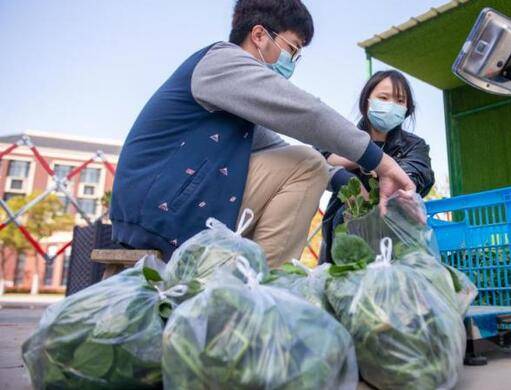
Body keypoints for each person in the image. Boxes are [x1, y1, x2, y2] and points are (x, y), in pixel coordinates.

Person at [109, 0, 414, 267]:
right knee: (307, 163)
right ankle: (260, 291)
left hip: (168, 203)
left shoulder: (235, 96)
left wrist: (349, 187)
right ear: (258, 35)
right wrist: (381, 162)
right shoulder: (222, 61)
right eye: (291, 48)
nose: (291, 62)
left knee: (307, 164)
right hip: (161, 209)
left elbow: (275, 146)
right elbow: (306, 113)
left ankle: (252, 278)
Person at [319, 70, 435, 263]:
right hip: (342, 232)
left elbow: (419, 171)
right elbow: (319, 159)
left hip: (395, 236)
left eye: (399, 101)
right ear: (367, 101)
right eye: (383, 97)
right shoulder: (342, 138)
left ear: (407, 108)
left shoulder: (414, 145)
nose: (391, 105)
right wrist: (362, 159)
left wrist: (399, 183)